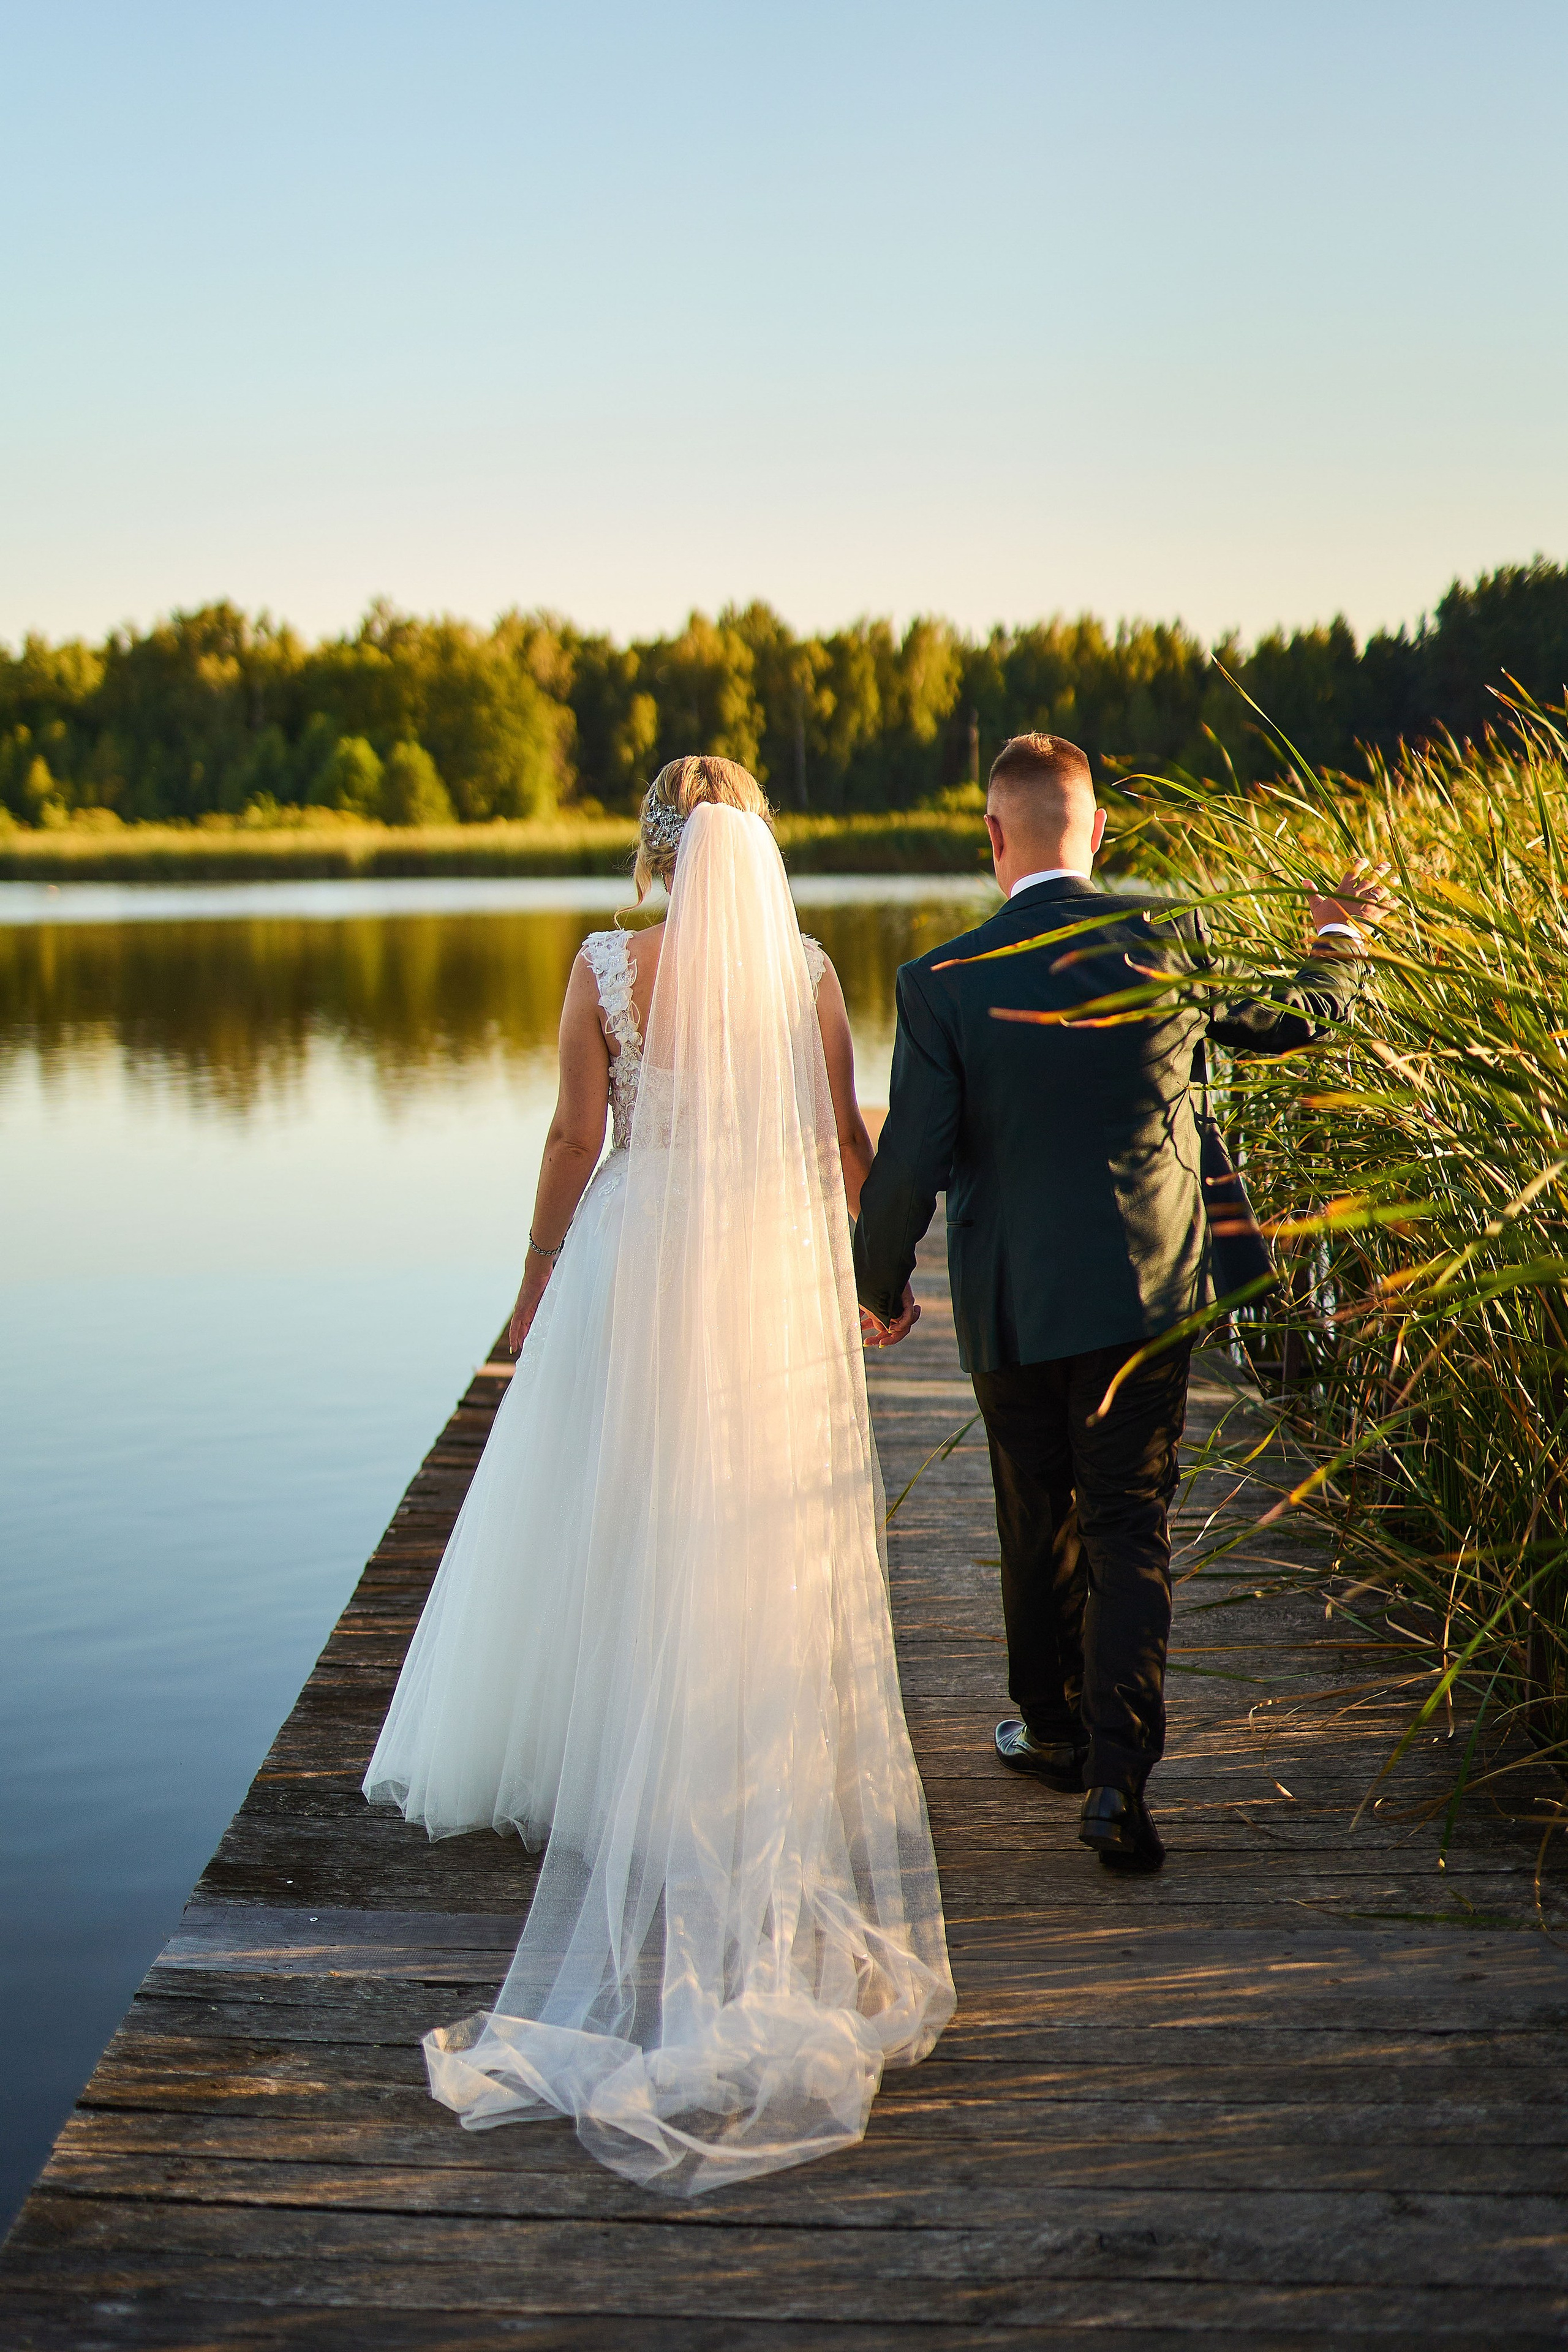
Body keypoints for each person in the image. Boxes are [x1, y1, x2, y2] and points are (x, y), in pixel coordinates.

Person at [364, 756, 954, 2194]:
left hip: (636, 1258)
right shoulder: (806, 973)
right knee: (736, 1506)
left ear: (655, 854)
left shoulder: (604, 966)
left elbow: (577, 1135)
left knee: (606, 1500)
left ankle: (596, 1755)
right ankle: (725, 1737)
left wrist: (533, 1275)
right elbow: (842, 1141)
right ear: (753, 850)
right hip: (758, 1264)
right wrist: (873, 1276)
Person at [854, 732, 1389, 1874]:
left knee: (1034, 1517)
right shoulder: (1166, 943)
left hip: (1009, 1306)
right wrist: (1336, 940)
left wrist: (880, 1286)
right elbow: (1299, 1017)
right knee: (1129, 1529)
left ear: (994, 838)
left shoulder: (939, 984)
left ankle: (1049, 1732)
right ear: (1096, 832)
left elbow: (910, 1162)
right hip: (1148, 1300)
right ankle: (1116, 1787)